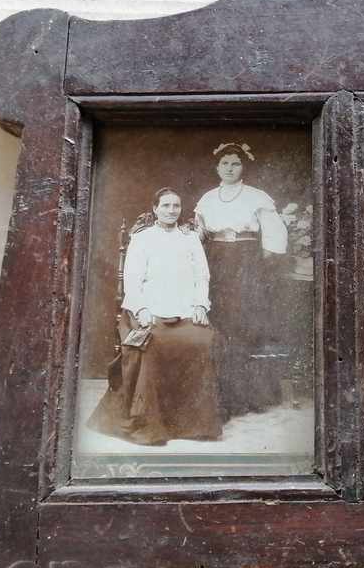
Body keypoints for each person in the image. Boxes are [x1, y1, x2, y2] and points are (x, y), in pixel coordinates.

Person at [87, 188, 221, 446]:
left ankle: (192, 424)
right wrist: (142, 309)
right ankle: (149, 422)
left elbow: (201, 276)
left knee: (202, 341)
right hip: (147, 305)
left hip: (184, 306)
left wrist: (200, 306)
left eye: (176, 206)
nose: (172, 210)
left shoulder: (190, 237)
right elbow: (134, 280)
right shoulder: (143, 238)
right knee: (152, 344)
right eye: (166, 205)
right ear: (155, 208)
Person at [195, 142, 288, 418]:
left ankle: (249, 395)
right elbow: (199, 235)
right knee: (220, 322)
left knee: (244, 323)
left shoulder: (257, 196)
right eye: (225, 163)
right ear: (217, 167)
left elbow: (274, 238)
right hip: (216, 260)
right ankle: (221, 395)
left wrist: (254, 267)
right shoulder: (208, 198)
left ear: (243, 166)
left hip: (246, 262)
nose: (230, 168)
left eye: (235, 163)